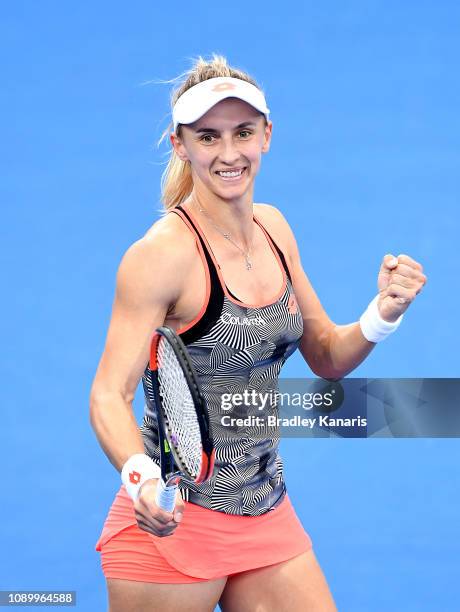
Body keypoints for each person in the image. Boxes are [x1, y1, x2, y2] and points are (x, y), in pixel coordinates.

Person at [90, 53, 427, 612]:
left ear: (266, 136)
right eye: (208, 137)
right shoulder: (159, 258)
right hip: (172, 524)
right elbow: (107, 395)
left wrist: (383, 313)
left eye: (242, 133)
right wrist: (141, 478)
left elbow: (326, 355)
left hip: (267, 513)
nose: (228, 153)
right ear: (181, 145)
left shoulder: (274, 228)